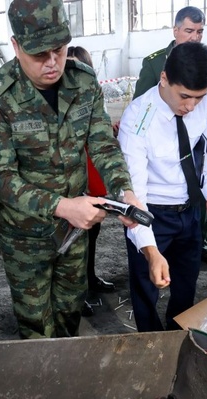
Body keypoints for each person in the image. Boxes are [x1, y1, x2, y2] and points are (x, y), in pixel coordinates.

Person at [0, 0, 142, 339]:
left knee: (69, 309)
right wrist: (65, 207)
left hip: (74, 230)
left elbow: (102, 143)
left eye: (59, 49)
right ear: (16, 46)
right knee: (36, 324)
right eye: (39, 54)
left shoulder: (82, 81)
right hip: (24, 235)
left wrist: (125, 191)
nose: (52, 63)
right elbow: (1, 179)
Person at [118, 42, 207, 332]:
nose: (191, 106)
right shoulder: (138, 119)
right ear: (164, 79)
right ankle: (149, 342)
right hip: (151, 213)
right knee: (146, 286)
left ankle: (180, 336)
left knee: (186, 283)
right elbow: (134, 194)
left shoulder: (202, 102)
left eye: (199, 97)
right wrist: (151, 249)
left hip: (190, 211)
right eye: (184, 96)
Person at [133, 6, 207, 270]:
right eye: (189, 31)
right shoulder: (155, 62)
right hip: (163, 141)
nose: (195, 36)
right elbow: (141, 103)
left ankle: (201, 246)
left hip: (194, 136)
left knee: (196, 187)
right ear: (176, 30)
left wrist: (193, 111)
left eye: (200, 31)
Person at [66, 45, 115, 317]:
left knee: (91, 235)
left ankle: (90, 277)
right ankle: (76, 293)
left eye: (78, 67)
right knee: (73, 241)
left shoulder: (92, 99)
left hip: (91, 177)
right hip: (70, 183)